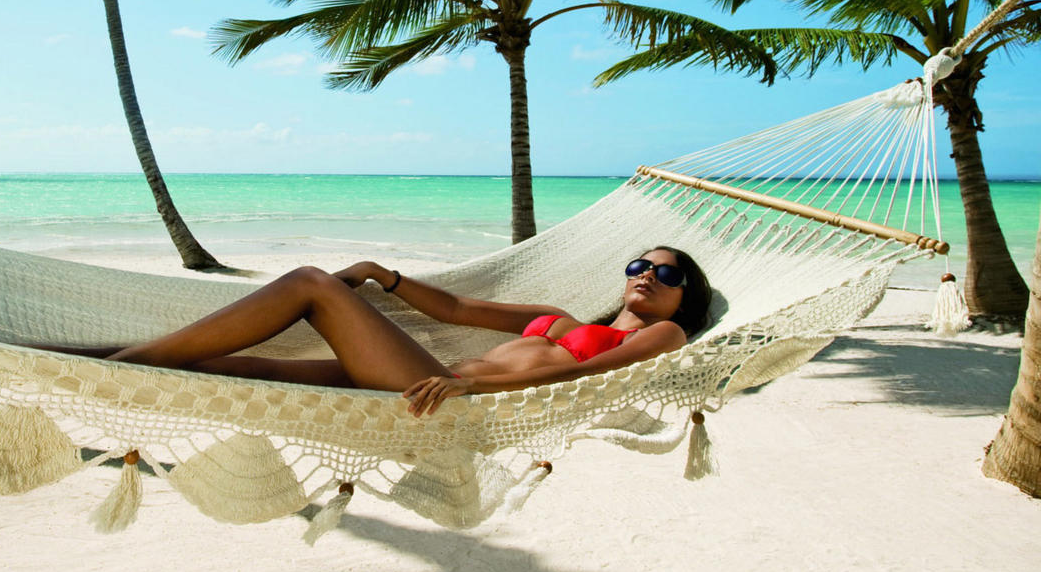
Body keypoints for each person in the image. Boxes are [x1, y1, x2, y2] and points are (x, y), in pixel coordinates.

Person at [86, 246, 712, 417]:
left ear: (686, 298)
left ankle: (114, 364)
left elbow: (584, 375)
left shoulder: (660, 337)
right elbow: (456, 308)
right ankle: (77, 358)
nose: (647, 275)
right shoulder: (559, 315)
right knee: (232, 368)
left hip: (450, 399)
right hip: (432, 383)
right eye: (639, 265)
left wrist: (470, 389)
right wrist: (382, 276)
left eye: (666, 274)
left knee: (309, 284)